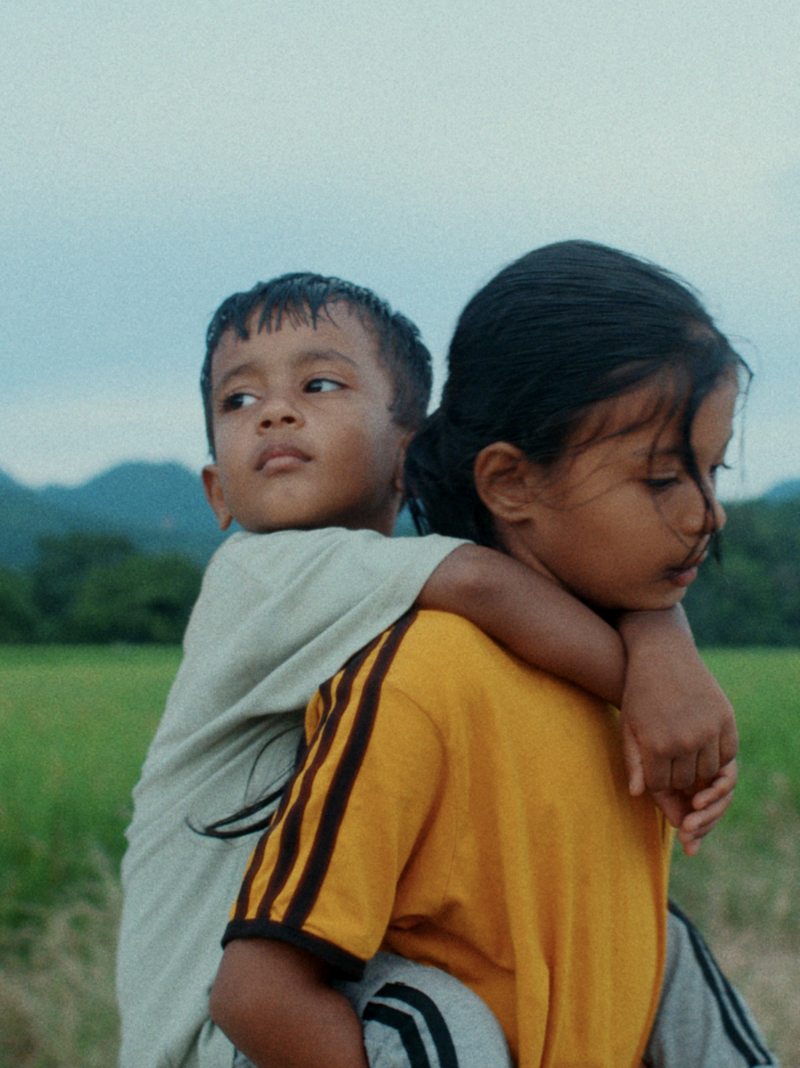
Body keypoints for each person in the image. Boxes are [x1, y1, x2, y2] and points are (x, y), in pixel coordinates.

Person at [117, 271, 738, 1068]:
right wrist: (657, 683)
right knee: (430, 1012)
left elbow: (553, 585)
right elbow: (487, 582)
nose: (273, 412)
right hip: (222, 1034)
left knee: (654, 940)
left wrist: (659, 628)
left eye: (319, 384)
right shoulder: (258, 573)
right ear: (217, 495)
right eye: (238, 400)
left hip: (313, 982)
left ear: (406, 454)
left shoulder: (391, 595)